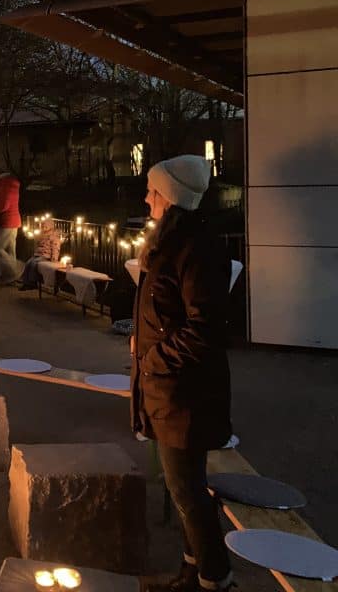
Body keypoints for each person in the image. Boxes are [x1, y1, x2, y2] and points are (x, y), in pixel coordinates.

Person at [131, 155, 234, 592]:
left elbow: (204, 328)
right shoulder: (173, 240)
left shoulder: (195, 247)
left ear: (169, 197)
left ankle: (215, 579)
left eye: (152, 191)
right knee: (184, 489)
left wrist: (154, 359)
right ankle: (192, 572)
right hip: (169, 390)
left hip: (185, 394)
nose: (146, 198)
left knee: (188, 493)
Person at [0, 170, 22, 284]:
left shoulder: (5, 186)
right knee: (10, 250)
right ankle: (9, 278)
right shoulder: (10, 184)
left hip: (8, 222)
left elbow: (3, 206)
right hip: (14, 220)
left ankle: (17, 268)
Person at [19, 217, 63, 290]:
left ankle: (33, 282)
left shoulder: (54, 236)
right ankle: (26, 282)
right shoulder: (42, 235)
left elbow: (56, 248)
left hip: (46, 256)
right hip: (38, 254)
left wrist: (54, 258)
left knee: (33, 264)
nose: (43, 228)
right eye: (43, 227)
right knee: (28, 263)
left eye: (45, 227)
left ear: (50, 227)